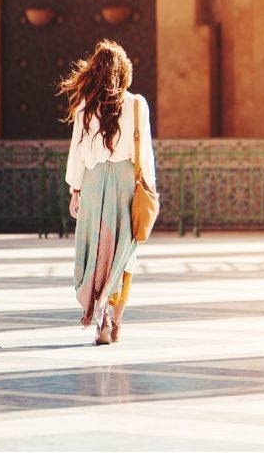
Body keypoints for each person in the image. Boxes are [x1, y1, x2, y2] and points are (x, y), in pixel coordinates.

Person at [58, 38, 157, 345]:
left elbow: (77, 153)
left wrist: (75, 191)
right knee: (123, 258)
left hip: (93, 186)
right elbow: (146, 154)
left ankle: (99, 317)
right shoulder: (138, 105)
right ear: (124, 72)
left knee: (96, 256)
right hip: (127, 187)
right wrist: (150, 189)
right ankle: (113, 322)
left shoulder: (86, 108)